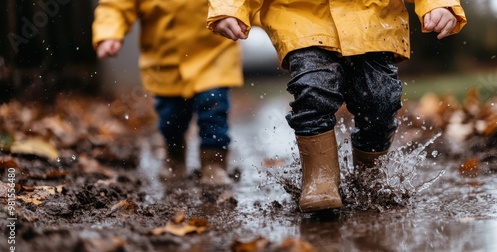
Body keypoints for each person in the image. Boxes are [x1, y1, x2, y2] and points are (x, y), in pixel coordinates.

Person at [207, 0, 467, 211]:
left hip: (374, 23)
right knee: (312, 91)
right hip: (303, 22)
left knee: (381, 102)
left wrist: (439, 3)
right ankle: (319, 180)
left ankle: (370, 175)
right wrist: (228, 8)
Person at [92, 0, 244, 186]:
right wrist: (109, 33)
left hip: (214, 54)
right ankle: (174, 156)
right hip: (165, 61)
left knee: (213, 108)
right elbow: (116, 5)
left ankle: (214, 164)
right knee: (171, 118)